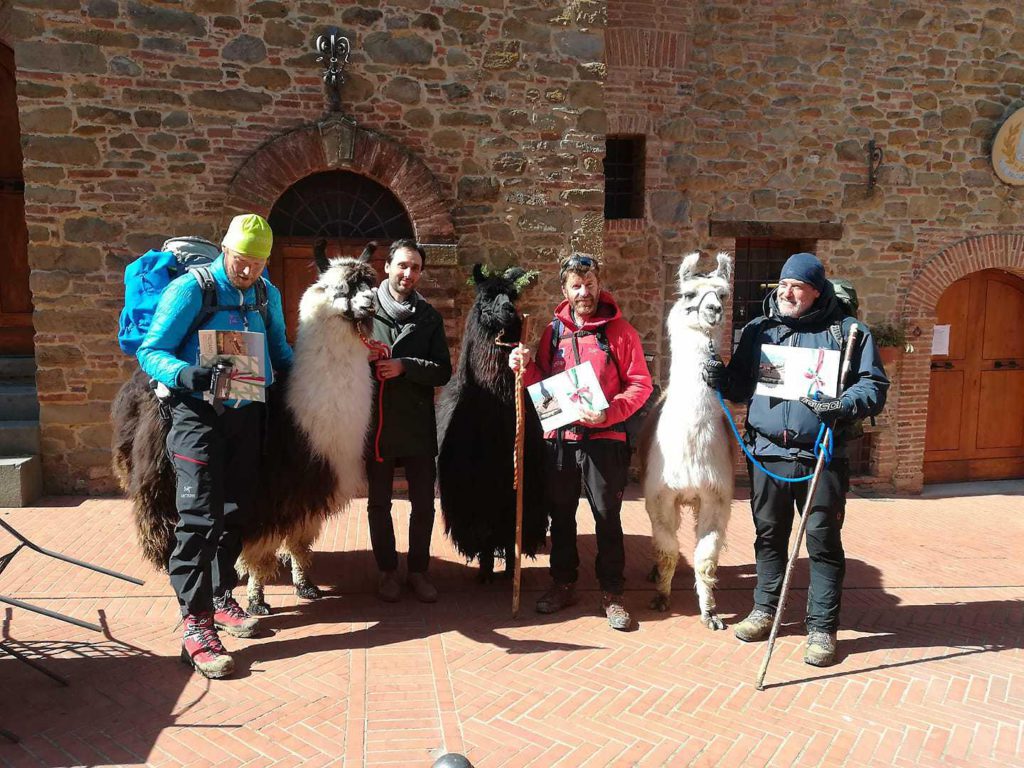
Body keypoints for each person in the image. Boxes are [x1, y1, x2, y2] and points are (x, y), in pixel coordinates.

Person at [703, 252, 888, 666]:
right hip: (768, 451)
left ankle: (821, 628)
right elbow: (738, 387)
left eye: (797, 287)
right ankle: (765, 610)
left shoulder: (848, 332)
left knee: (822, 541)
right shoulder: (760, 330)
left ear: (816, 291)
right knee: (769, 536)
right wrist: (720, 377)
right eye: (783, 285)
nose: (787, 292)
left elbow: (873, 386)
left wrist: (841, 405)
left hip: (821, 453)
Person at [137, 213, 293, 679]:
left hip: (248, 413)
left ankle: (221, 596)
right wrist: (187, 374)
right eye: (242, 261)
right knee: (200, 517)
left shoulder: (268, 295)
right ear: (226, 250)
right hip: (196, 415)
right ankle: (195, 626)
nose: (248, 271)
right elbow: (151, 350)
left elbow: (282, 352)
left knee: (237, 510)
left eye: (258, 263)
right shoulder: (192, 290)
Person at [509, 254, 653, 631]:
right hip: (561, 440)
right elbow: (542, 383)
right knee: (561, 518)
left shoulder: (620, 333)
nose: (584, 292)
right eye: (576, 285)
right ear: (565, 290)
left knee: (607, 518)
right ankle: (564, 584)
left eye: (590, 284)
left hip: (605, 440)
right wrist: (523, 367)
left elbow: (641, 385)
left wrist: (609, 413)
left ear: (599, 285)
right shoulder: (553, 332)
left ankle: (612, 593)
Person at [365, 239, 452, 603]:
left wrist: (405, 366)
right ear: (387, 267)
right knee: (379, 502)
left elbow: (443, 371)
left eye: (415, 268)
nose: (408, 274)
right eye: (402, 265)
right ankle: (387, 571)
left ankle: (418, 570)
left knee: (422, 502)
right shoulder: (364, 311)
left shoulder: (428, 317)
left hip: (416, 424)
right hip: (377, 422)